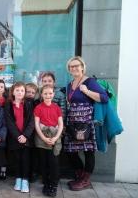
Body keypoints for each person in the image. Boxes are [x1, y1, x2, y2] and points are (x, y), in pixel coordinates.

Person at [64, 56, 108, 191]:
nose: (74, 68)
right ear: (69, 69)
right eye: (72, 66)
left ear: (82, 67)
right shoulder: (69, 85)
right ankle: (80, 175)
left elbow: (104, 97)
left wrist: (86, 91)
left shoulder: (89, 82)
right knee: (70, 151)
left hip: (86, 123)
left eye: (77, 65)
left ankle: (85, 180)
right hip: (72, 122)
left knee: (88, 151)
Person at [4, 82, 34, 193]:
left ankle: (25, 180)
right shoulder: (8, 104)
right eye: (17, 90)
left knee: (25, 159)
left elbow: (31, 121)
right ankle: (18, 179)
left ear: (25, 92)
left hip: (26, 138)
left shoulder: (29, 104)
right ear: (13, 92)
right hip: (14, 137)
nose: (19, 92)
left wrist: (25, 135)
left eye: (22, 90)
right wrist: (18, 136)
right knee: (17, 159)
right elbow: (9, 122)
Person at [34, 84, 63, 197]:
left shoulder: (56, 107)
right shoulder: (38, 108)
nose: (48, 95)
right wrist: (43, 138)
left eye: (50, 93)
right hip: (42, 138)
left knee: (54, 163)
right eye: (45, 93)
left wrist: (55, 138)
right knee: (44, 163)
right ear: (41, 94)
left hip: (55, 136)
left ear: (53, 94)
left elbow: (60, 124)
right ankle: (46, 183)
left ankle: (53, 185)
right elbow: (37, 124)